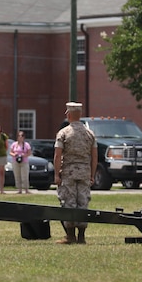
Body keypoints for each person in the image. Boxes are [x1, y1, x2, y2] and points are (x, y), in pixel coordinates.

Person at [53, 101, 97, 245]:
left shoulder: (64, 133)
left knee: (69, 203)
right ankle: (82, 237)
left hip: (68, 172)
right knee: (83, 202)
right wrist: (92, 174)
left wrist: (56, 174)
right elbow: (94, 156)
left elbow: (58, 155)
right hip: (85, 172)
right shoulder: (90, 133)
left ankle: (70, 236)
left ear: (69, 115)